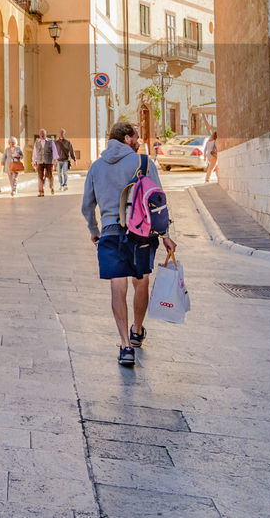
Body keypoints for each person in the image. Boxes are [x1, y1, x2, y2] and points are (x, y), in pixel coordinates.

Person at [81, 121, 177, 367]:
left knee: (117, 286)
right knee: (141, 279)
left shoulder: (96, 166)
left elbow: (87, 206)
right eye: (136, 137)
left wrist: (95, 230)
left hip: (110, 232)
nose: (139, 141)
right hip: (141, 232)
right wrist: (165, 234)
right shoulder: (143, 163)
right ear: (126, 139)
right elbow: (158, 201)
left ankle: (124, 346)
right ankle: (137, 329)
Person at [33, 128, 55, 196]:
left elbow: (55, 152)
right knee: (40, 176)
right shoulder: (37, 142)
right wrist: (34, 161)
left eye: (43, 134)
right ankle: (41, 191)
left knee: (49, 176)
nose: (42, 135)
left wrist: (55, 161)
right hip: (40, 161)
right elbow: (34, 153)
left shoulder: (51, 142)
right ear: (39, 135)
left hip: (49, 161)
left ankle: (52, 187)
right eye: (41, 134)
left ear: (46, 134)